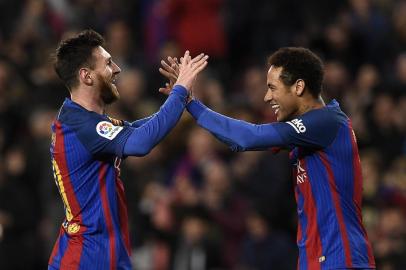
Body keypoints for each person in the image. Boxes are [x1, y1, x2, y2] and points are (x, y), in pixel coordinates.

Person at [159, 47, 376, 270]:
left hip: (342, 259)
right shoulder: (311, 132)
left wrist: (191, 103)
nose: (266, 97)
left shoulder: (326, 122)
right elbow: (238, 142)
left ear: (298, 87)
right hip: (318, 259)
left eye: (272, 88)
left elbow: (248, 137)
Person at [48, 29, 207, 270]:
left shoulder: (84, 122)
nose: (117, 69)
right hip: (87, 258)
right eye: (108, 63)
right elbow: (141, 143)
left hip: (101, 251)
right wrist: (180, 90)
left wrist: (178, 98)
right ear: (86, 76)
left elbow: (138, 129)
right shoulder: (82, 126)